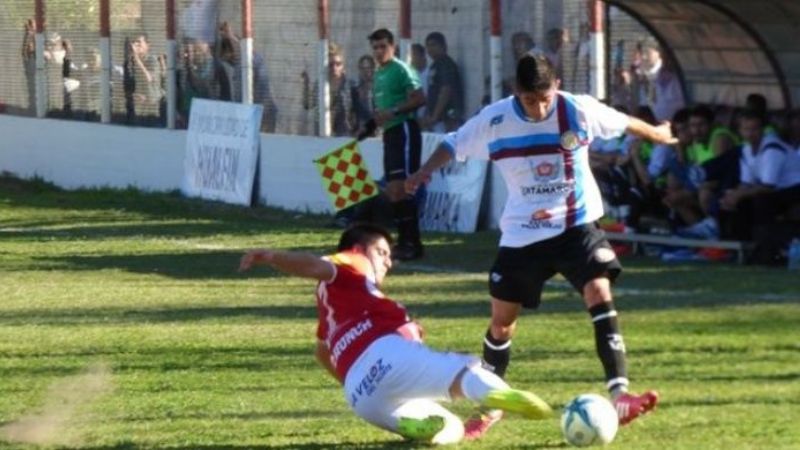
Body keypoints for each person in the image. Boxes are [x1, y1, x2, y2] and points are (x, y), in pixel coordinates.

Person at [406, 54, 674, 439]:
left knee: (599, 290)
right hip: (522, 235)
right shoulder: (495, 120)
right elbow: (452, 143)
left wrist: (659, 134)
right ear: (517, 93)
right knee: (502, 323)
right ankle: (493, 404)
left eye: (545, 98)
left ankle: (620, 394)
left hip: (575, 225)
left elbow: (625, 122)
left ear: (556, 85)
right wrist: (424, 171)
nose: (541, 107)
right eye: (532, 100)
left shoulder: (577, 109)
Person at [238, 223, 553, 445]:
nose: (388, 261)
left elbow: (322, 351)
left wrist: (357, 376)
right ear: (360, 248)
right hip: (385, 357)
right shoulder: (353, 261)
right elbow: (314, 264)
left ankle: (425, 429)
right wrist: (273, 257)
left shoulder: (332, 301)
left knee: (452, 429)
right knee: (470, 370)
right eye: (382, 252)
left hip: (360, 396)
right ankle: (494, 401)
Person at [369, 28, 426, 260]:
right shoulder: (379, 73)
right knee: (394, 190)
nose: (379, 51)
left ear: (393, 47)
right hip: (391, 133)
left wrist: (393, 111)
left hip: (404, 131)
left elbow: (419, 98)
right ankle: (407, 242)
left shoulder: (401, 69)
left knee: (401, 187)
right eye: (375, 47)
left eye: (383, 46)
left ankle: (411, 243)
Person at [420, 32, 463, 132]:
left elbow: (446, 91)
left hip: (447, 117)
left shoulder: (446, 64)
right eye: (428, 46)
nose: (430, 49)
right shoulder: (434, 65)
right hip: (436, 118)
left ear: (443, 46)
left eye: (433, 45)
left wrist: (435, 116)